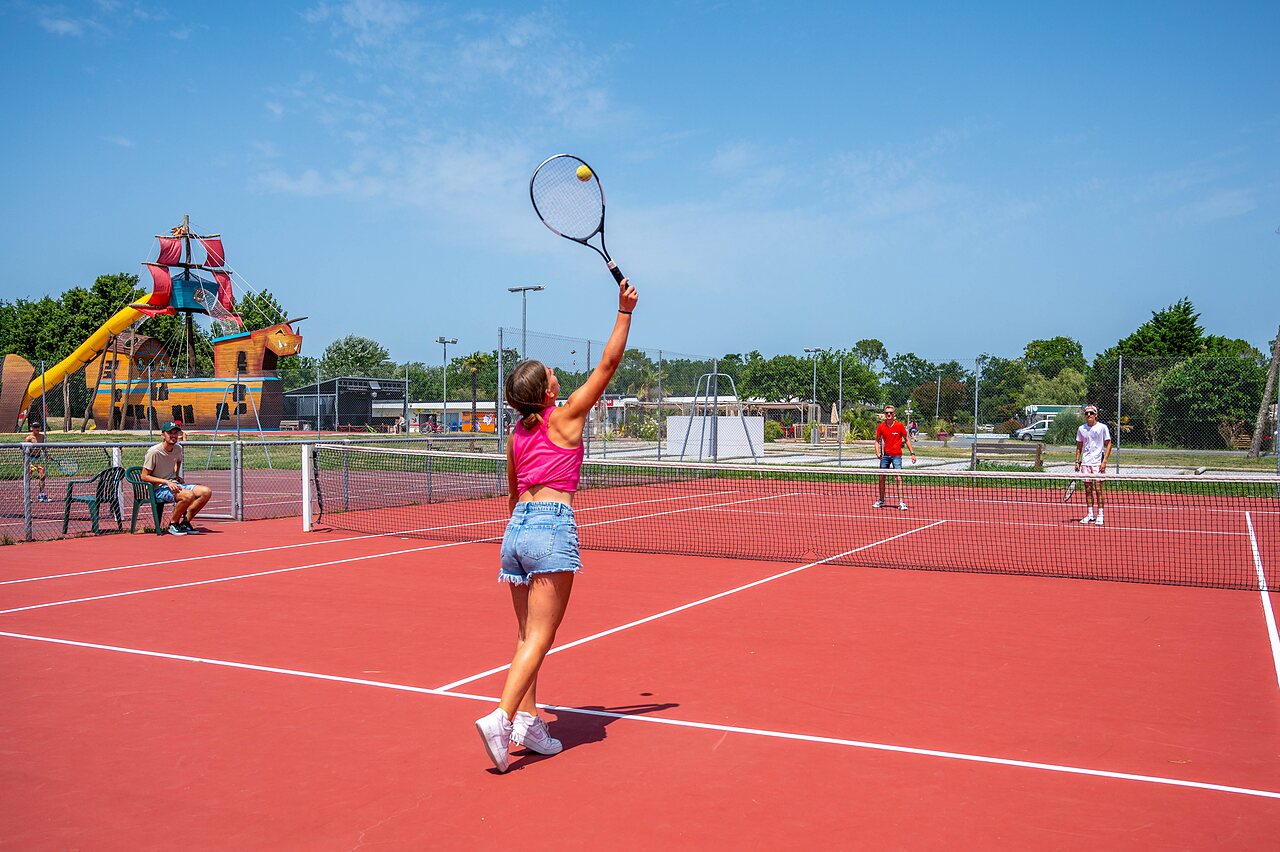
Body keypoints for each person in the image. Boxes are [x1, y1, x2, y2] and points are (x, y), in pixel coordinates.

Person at [475, 279, 639, 773]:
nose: (555, 373)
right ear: (547, 390)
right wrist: (624, 312)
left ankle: (528, 723)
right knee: (542, 637)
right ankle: (501, 718)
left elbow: (509, 493)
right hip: (550, 526)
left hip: (516, 531)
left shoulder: (515, 435)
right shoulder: (565, 418)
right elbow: (607, 367)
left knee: (527, 636)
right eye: (550, 372)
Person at [140, 421, 214, 535]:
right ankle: (173, 524)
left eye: (175, 433)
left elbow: (178, 460)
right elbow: (144, 476)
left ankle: (185, 523)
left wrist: (176, 475)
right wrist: (167, 482)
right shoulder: (154, 452)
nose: (173, 435)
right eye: (170, 433)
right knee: (188, 495)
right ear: (163, 435)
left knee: (206, 492)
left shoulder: (178, 449)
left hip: (174, 484)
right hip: (157, 489)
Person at [1075, 405, 1112, 525]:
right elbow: (1079, 446)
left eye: (1091, 413)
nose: (1089, 415)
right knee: (1088, 489)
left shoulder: (1102, 427)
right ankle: (1090, 514)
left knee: (1098, 489)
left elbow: (1109, 444)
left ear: (1096, 415)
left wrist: (1104, 461)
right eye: (1086, 413)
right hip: (1085, 463)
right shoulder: (1081, 429)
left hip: (1098, 463)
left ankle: (1100, 514)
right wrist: (1077, 461)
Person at [874, 404, 916, 510]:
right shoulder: (881, 426)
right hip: (885, 456)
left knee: (898, 478)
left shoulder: (900, 426)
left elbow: (906, 439)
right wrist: (878, 452)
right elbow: (877, 441)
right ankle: (881, 500)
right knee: (882, 477)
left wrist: (912, 453)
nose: (888, 414)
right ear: (885, 414)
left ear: (894, 414)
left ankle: (901, 502)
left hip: (897, 456)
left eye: (890, 413)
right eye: (887, 413)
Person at [23, 420, 48, 503]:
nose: (37, 428)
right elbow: (24, 451)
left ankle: (41, 495)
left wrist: (47, 454)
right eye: (35, 427)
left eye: (38, 426)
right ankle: (27, 496)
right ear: (31, 428)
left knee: (42, 475)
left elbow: (43, 447)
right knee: (28, 478)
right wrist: (27, 462)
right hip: (30, 459)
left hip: (38, 458)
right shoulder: (29, 438)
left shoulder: (42, 436)